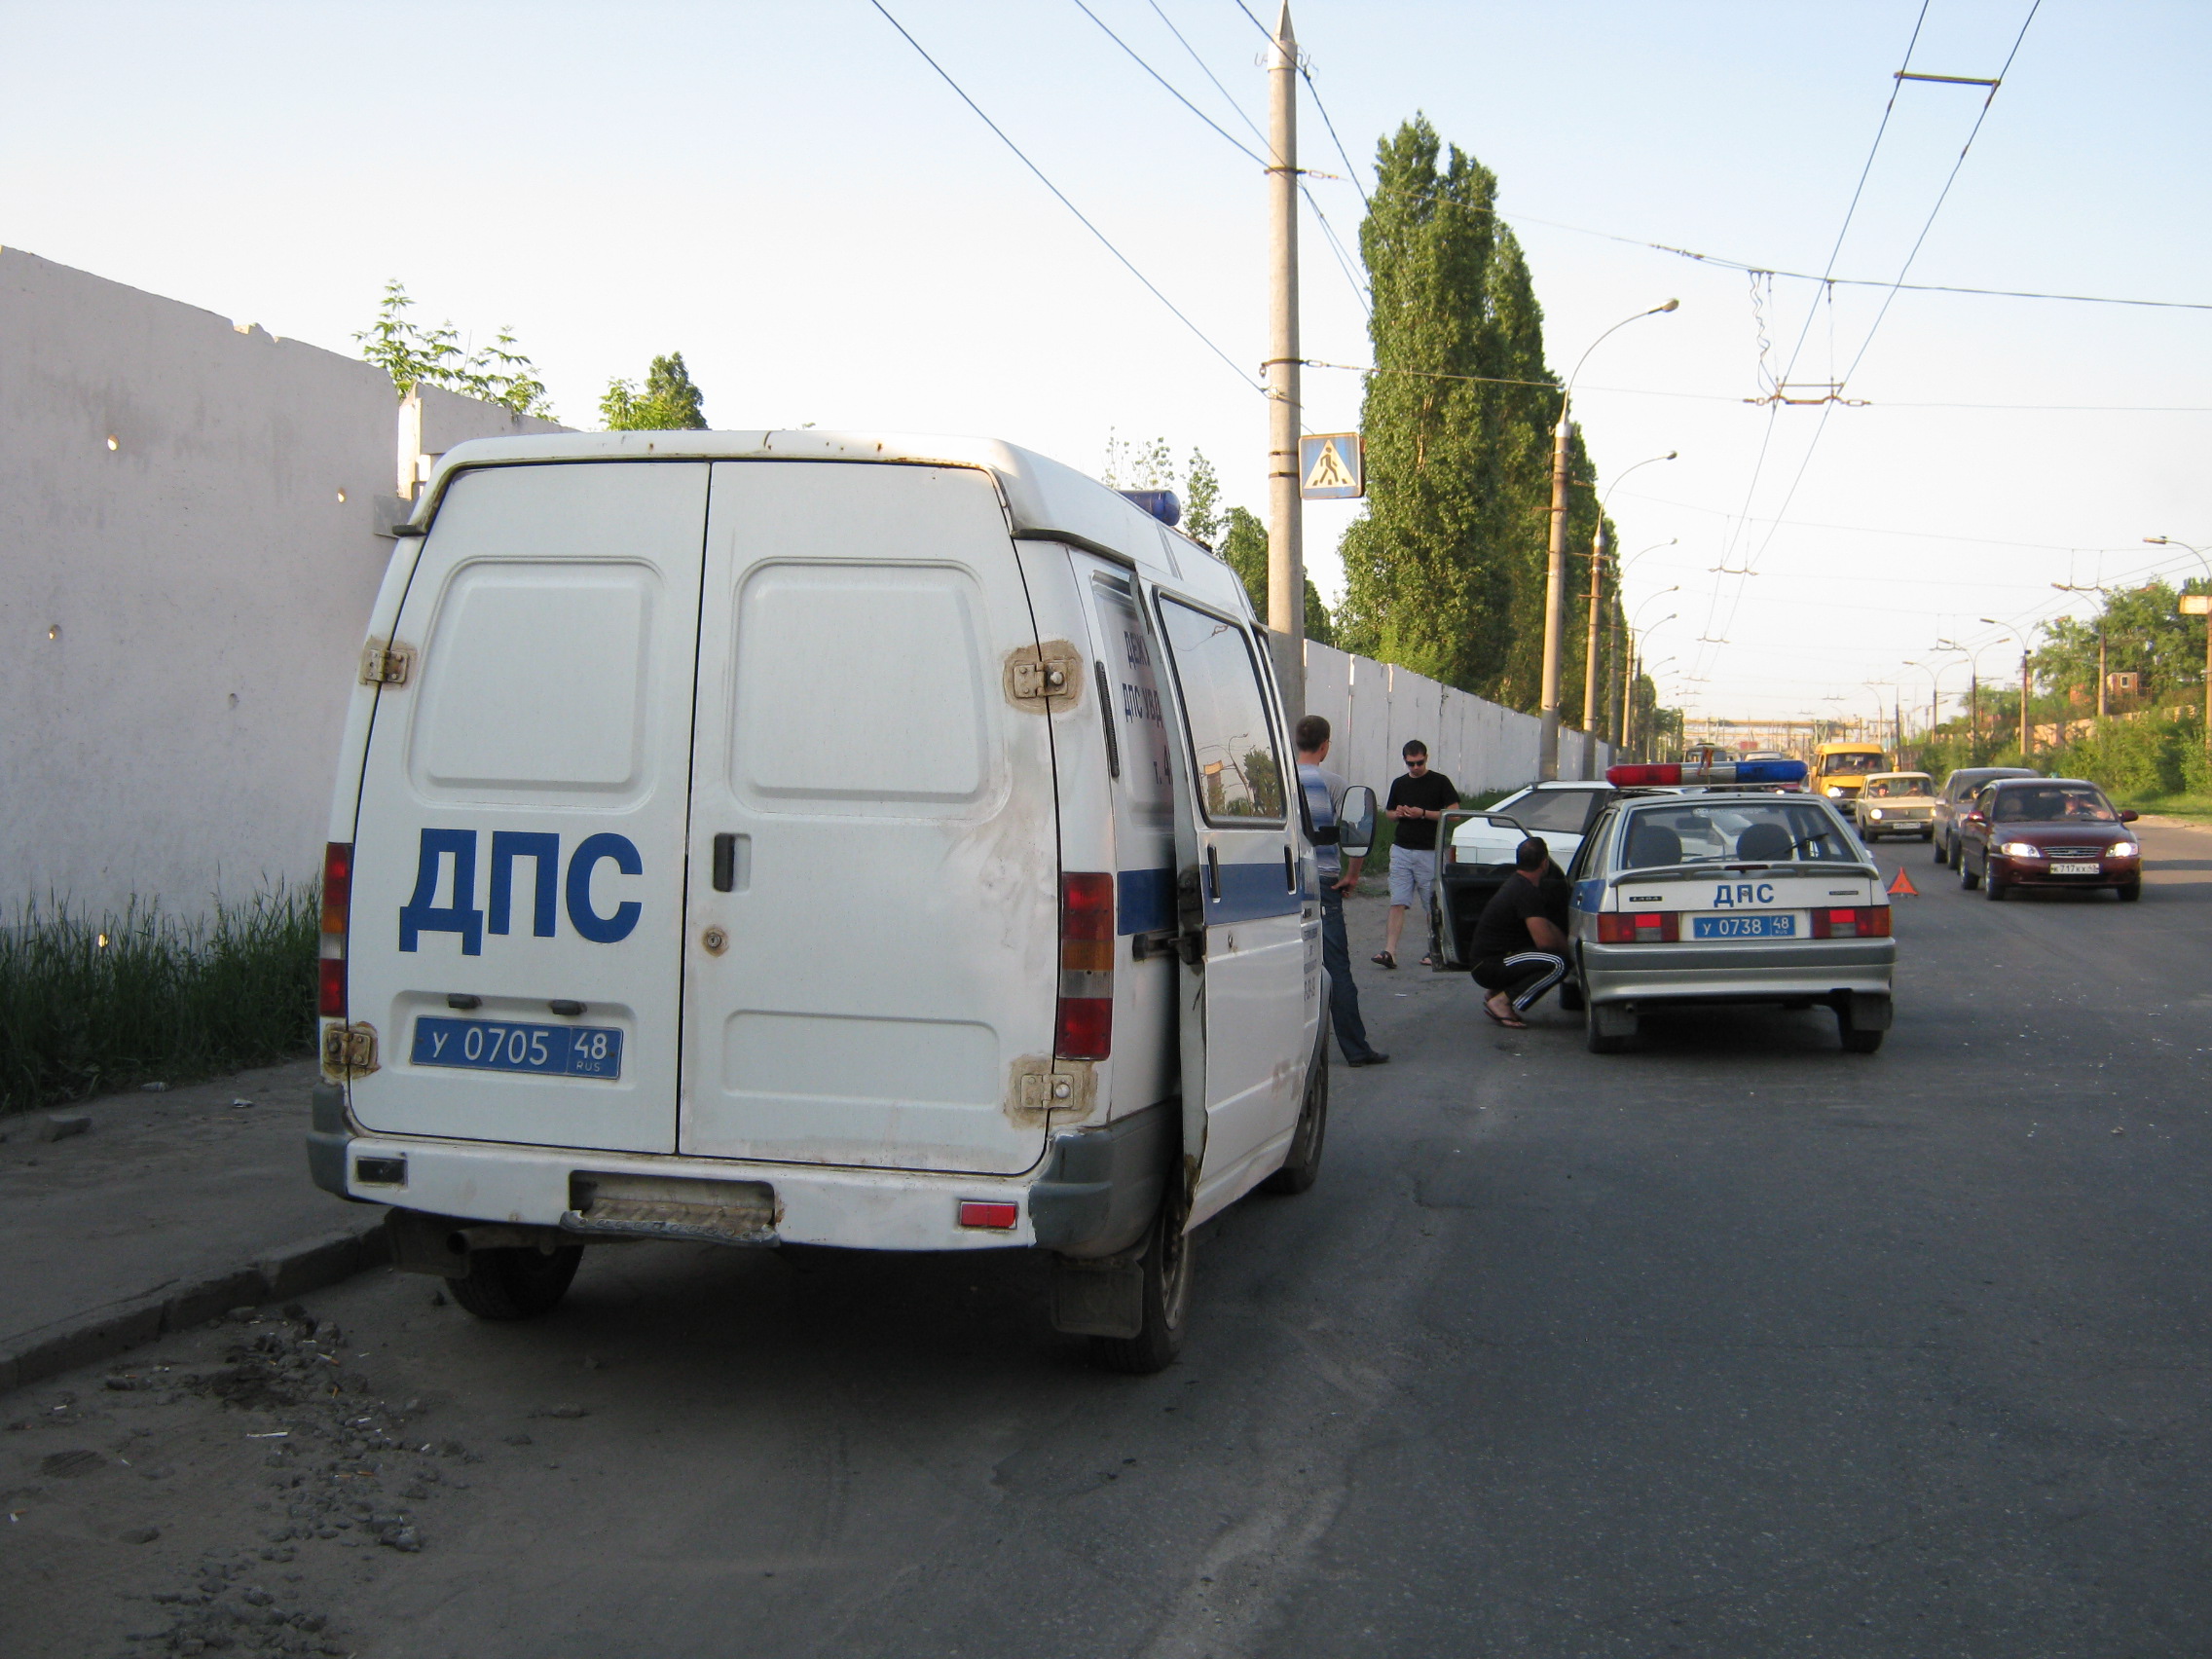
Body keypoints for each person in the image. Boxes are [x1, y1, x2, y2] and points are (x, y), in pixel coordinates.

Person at [1295, 716, 1389, 1067]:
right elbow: (1355, 831)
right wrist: (1352, 875)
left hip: (1283, 882)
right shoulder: (1333, 783)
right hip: (1324, 882)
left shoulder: (1277, 780)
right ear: (1325, 745)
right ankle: (1356, 1050)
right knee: (1336, 967)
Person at [1468, 838, 1570, 1029]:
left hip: (1487, 961)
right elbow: (1545, 943)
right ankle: (1502, 1002)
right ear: (1544, 862)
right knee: (1558, 963)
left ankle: (1497, 992)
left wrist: (1564, 943)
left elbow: (1545, 925)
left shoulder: (1518, 884)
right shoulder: (1525, 891)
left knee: (1553, 957)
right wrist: (1570, 950)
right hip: (1491, 965)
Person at [1373, 740, 1458, 969]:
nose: (1416, 767)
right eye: (1411, 764)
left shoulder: (1440, 782)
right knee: (1397, 901)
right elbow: (1389, 813)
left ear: (1426, 758)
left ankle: (1436, 950)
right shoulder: (1399, 784)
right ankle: (1389, 951)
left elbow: (1454, 814)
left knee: (1432, 904)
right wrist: (1399, 813)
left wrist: (1423, 814)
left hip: (1429, 851)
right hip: (1402, 849)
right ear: (1405, 761)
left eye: (1419, 762)